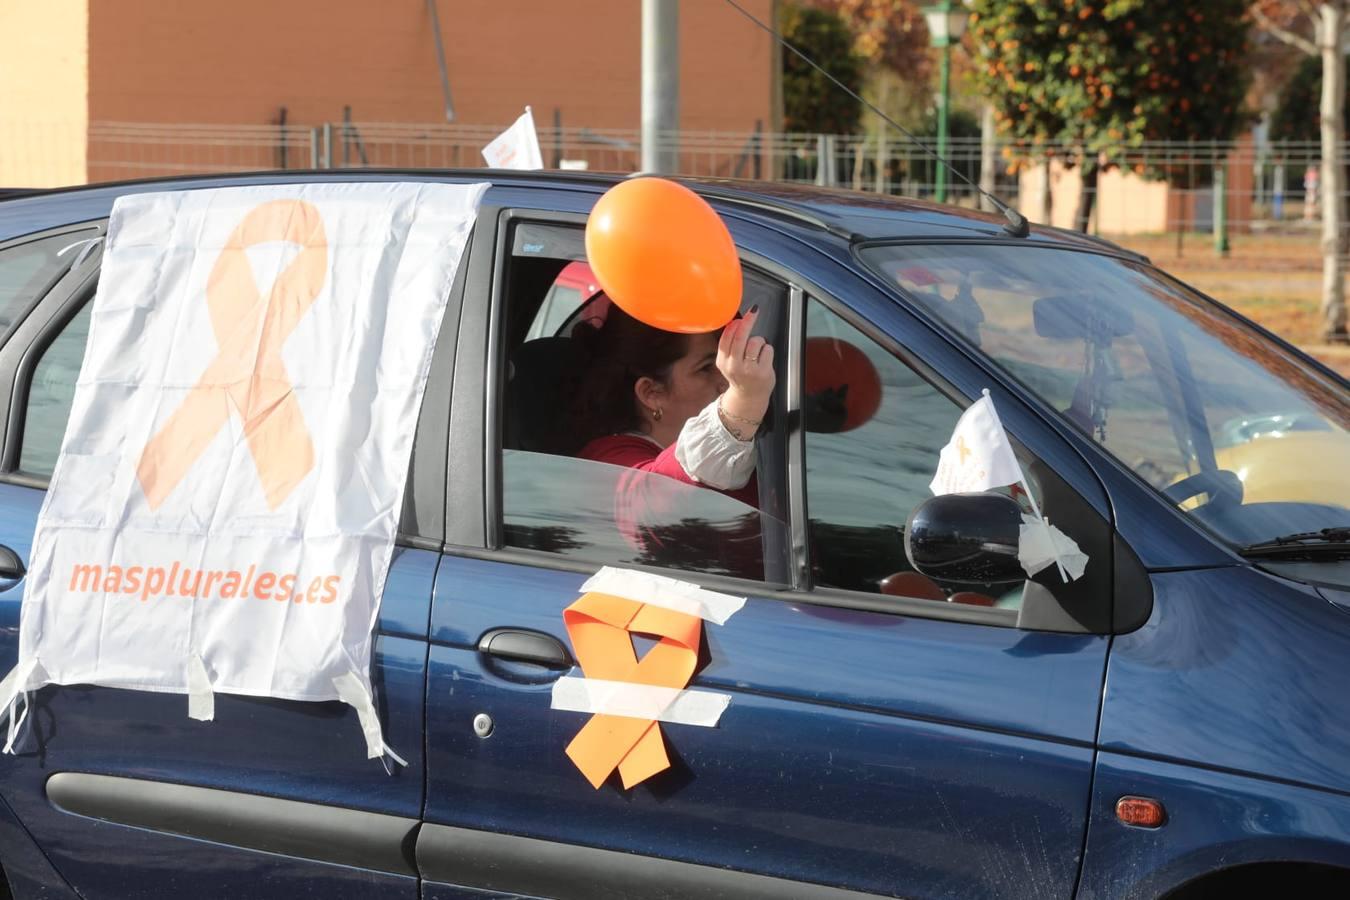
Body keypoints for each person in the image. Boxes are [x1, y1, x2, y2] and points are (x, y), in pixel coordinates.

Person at [572, 298, 775, 508]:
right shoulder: (607, 461)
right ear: (651, 393)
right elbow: (654, 505)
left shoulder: (756, 446)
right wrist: (744, 399)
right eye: (706, 367)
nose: (728, 378)